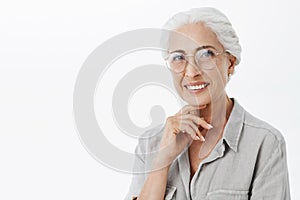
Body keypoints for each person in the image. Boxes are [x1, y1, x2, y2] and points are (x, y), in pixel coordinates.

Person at [125, 7, 291, 200]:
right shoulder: (150, 143)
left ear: (230, 62)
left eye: (206, 54)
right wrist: (162, 162)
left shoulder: (264, 143)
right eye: (178, 58)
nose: (191, 72)